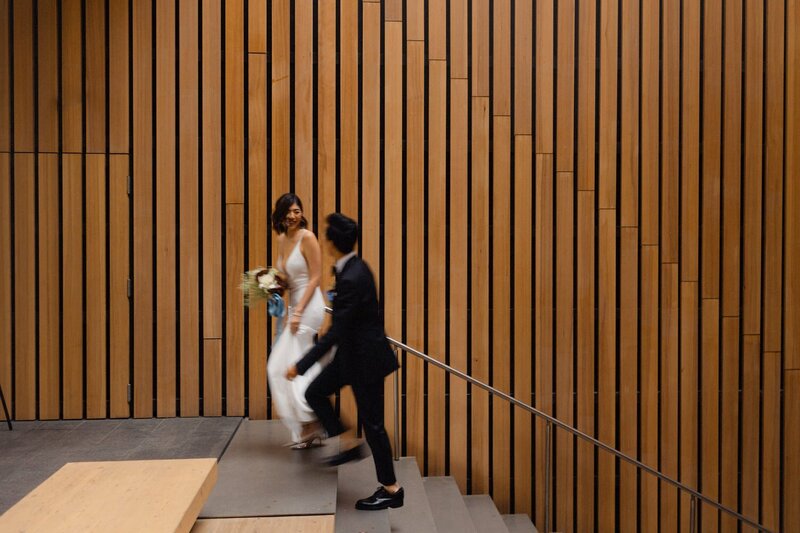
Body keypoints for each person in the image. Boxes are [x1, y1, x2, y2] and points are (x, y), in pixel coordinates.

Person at [286, 213, 404, 511]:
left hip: (366, 362)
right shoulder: (352, 267)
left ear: (332, 243)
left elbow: (336, 332)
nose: (323, 240)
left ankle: (392, 489)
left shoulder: (352, 276)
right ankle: (349, 443)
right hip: (351, 356)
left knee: (374, 426)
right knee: (314, 392)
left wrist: (300, 365)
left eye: (326, 235)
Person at [266, 193, 332, 449]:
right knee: (291, 363)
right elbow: (286, 276)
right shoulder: (282, 239)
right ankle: (310, 422)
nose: (293, 216)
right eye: (288, 212)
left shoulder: (308, 237)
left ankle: (314, 418)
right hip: (292, 304)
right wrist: (271, 285)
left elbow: (315, 277)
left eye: (296, 211)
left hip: (309, 305)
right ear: (280, 216)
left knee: (282, 364)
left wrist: (298, 311)